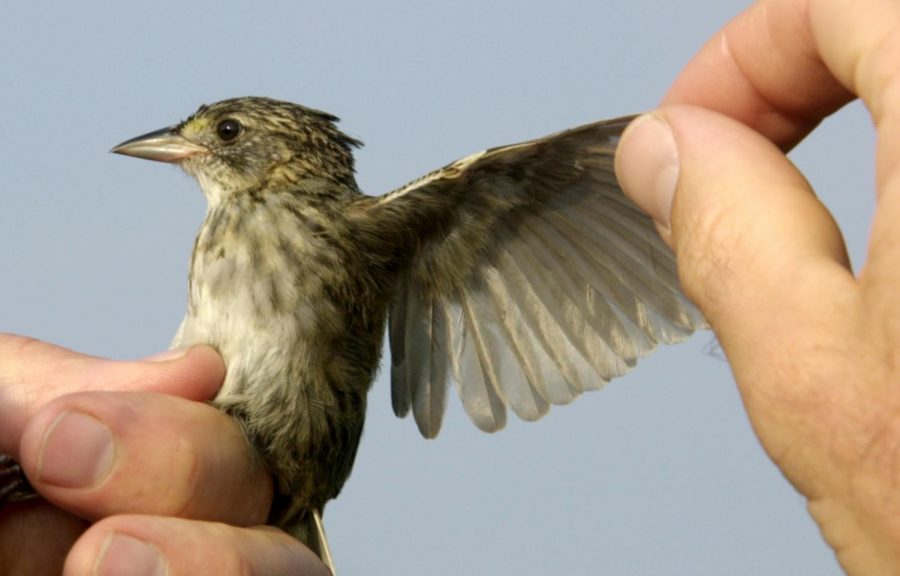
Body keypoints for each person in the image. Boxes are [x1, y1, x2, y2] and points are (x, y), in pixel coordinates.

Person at [2, 0, 898, 572]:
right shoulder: (219, 236)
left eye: (223, 131)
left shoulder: (365, 231)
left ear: (273, 159)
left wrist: (698, 182)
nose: (187, 142)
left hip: (288, 481)